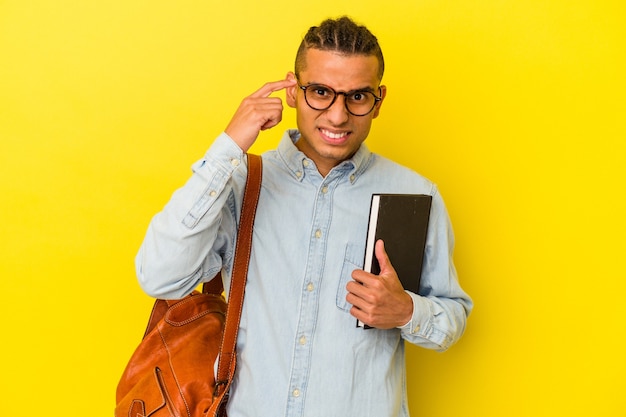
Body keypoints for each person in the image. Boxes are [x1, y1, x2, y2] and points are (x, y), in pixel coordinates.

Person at [136, 16, 472, 417]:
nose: (337, 115)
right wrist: (227, 148)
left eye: (357, 97)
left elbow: (453, 315)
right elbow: (159, 276)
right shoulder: (241, 180)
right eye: (320, 92)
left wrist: (406, 311)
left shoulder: (413, 194)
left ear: (379, 100)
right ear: (293, 91)